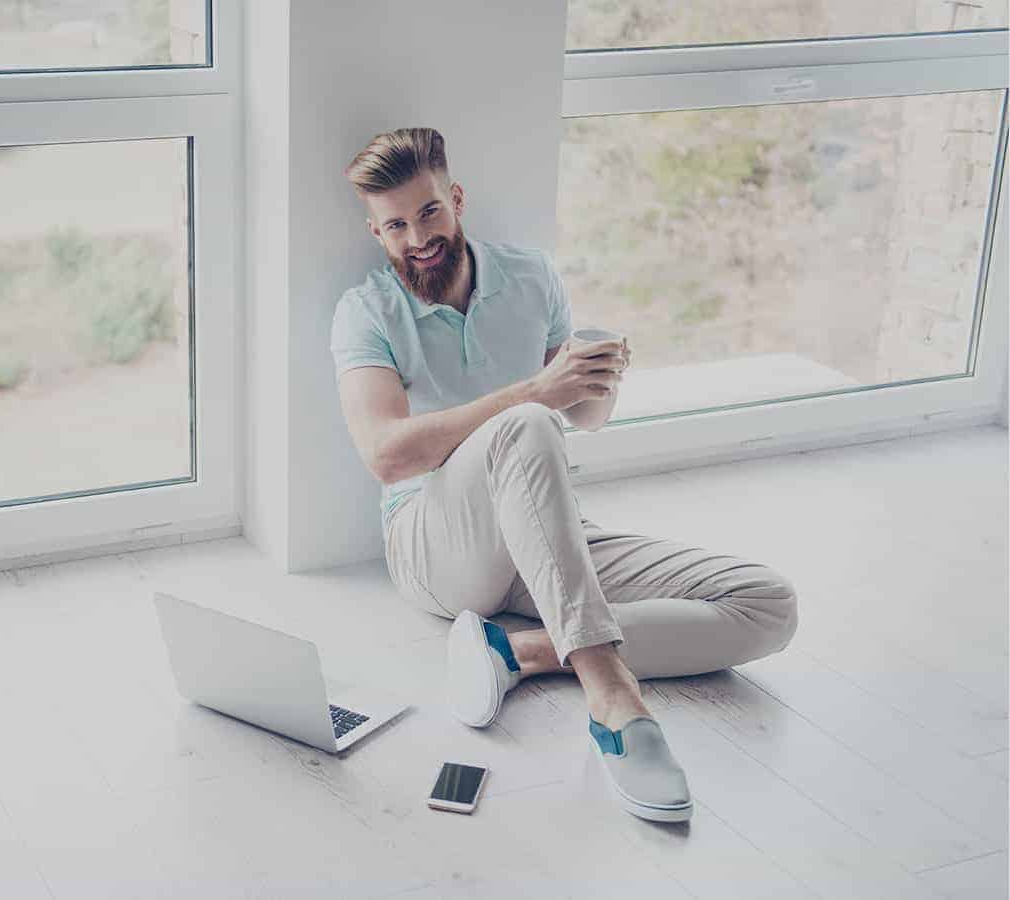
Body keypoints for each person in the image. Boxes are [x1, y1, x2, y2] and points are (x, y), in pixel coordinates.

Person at [329, 127, 800, 824]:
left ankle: (520, 652)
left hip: (544, 532)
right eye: (395, 225)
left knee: (766, 604)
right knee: (524, 422)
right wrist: (531, 395)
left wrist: (598, 377)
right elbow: (387, 454)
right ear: (376, 231)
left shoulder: (530, 276)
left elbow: (585, 417)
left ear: (455, 200)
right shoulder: (365, 311)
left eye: (428, 212)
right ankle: (614, 700)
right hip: (434, 545)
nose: (417, 236)